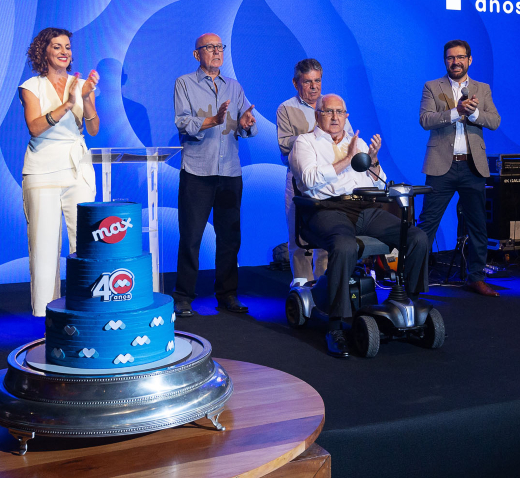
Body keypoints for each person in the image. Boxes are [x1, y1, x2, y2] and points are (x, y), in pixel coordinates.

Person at [289, 94, 430, 358]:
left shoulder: (359, 142)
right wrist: (349, 159)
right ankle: (335, 325)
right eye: (328, 111)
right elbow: (308, 180)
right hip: (325, 209)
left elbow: (379, 184)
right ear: (317, 115)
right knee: (344, 245)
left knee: (416, 237)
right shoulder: (304, 142)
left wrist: (373, 160)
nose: (334, 117)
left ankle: (408, 300)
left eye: (340, 112)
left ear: (346, 116)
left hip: (363, 207)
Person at [173, 33, 258, 317]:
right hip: (197, 170)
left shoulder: (234, 87)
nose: (216, 51)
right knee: (191, 236)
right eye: (209, 48)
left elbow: (248, 127)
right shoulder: (184, 83)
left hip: (230, 171)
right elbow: (184, 123)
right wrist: (213, 120)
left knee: (230, 237)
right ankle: (184, 296)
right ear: (197, 54)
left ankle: (227, 295)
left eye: (219, 47)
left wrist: (245, 124)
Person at [18, 27, 100, 317]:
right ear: (44, 52)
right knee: (43, 244)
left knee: (86, 243)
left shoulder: (79, 84)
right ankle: (44, 313)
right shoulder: (31, 86)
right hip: (42, 171)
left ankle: (88, 306)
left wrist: (86, 98)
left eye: (68, 47)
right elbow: (35, 128)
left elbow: (92, 128)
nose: (65, 52)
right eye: (57, 47)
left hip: (77, 169)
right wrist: (67, 104)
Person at [418, 40, 502, 296]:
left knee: (478, 226)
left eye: (460, 57)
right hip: (441, 167)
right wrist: (456, 111)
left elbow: (495, 121)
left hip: (472, 167)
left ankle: (475, 278)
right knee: (427, 225)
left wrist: (474, 115)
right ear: (445, 61)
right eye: (450, 58)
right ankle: (416, 281)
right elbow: (425, 120)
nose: (455, 62)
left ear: (470, 59)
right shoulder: (432, 87)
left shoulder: (482, 88)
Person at [276, 59, 351, 285]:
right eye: (307, 82)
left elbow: (345, 139)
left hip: (330, 180)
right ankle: (302, 290)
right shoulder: (286, 109)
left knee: (327, 237)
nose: (314, 87)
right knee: (299, 238)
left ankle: (324, 286)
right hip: (300, 181)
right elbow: (284, 145)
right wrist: (314, 137)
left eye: (317, 81)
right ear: (296, 83)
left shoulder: (332, 106)